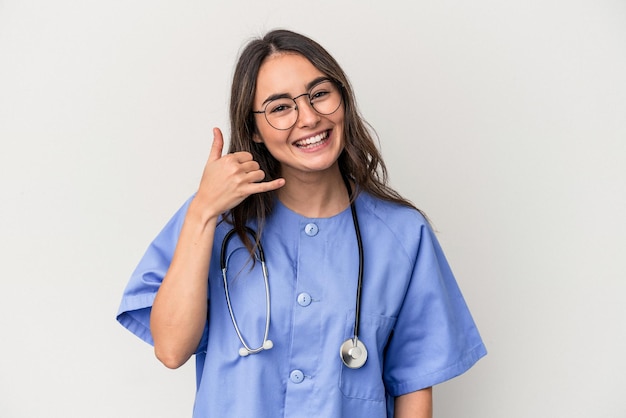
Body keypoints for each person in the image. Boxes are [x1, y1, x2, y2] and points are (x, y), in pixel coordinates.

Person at [117, 28, 486, 418]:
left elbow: (414, 385)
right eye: (280, 107)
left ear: (342, 97)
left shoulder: (404, 236)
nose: (309, 118)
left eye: (320, 94)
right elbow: (171, 349)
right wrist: (203, 212)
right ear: (255, 130)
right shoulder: (216, 219)